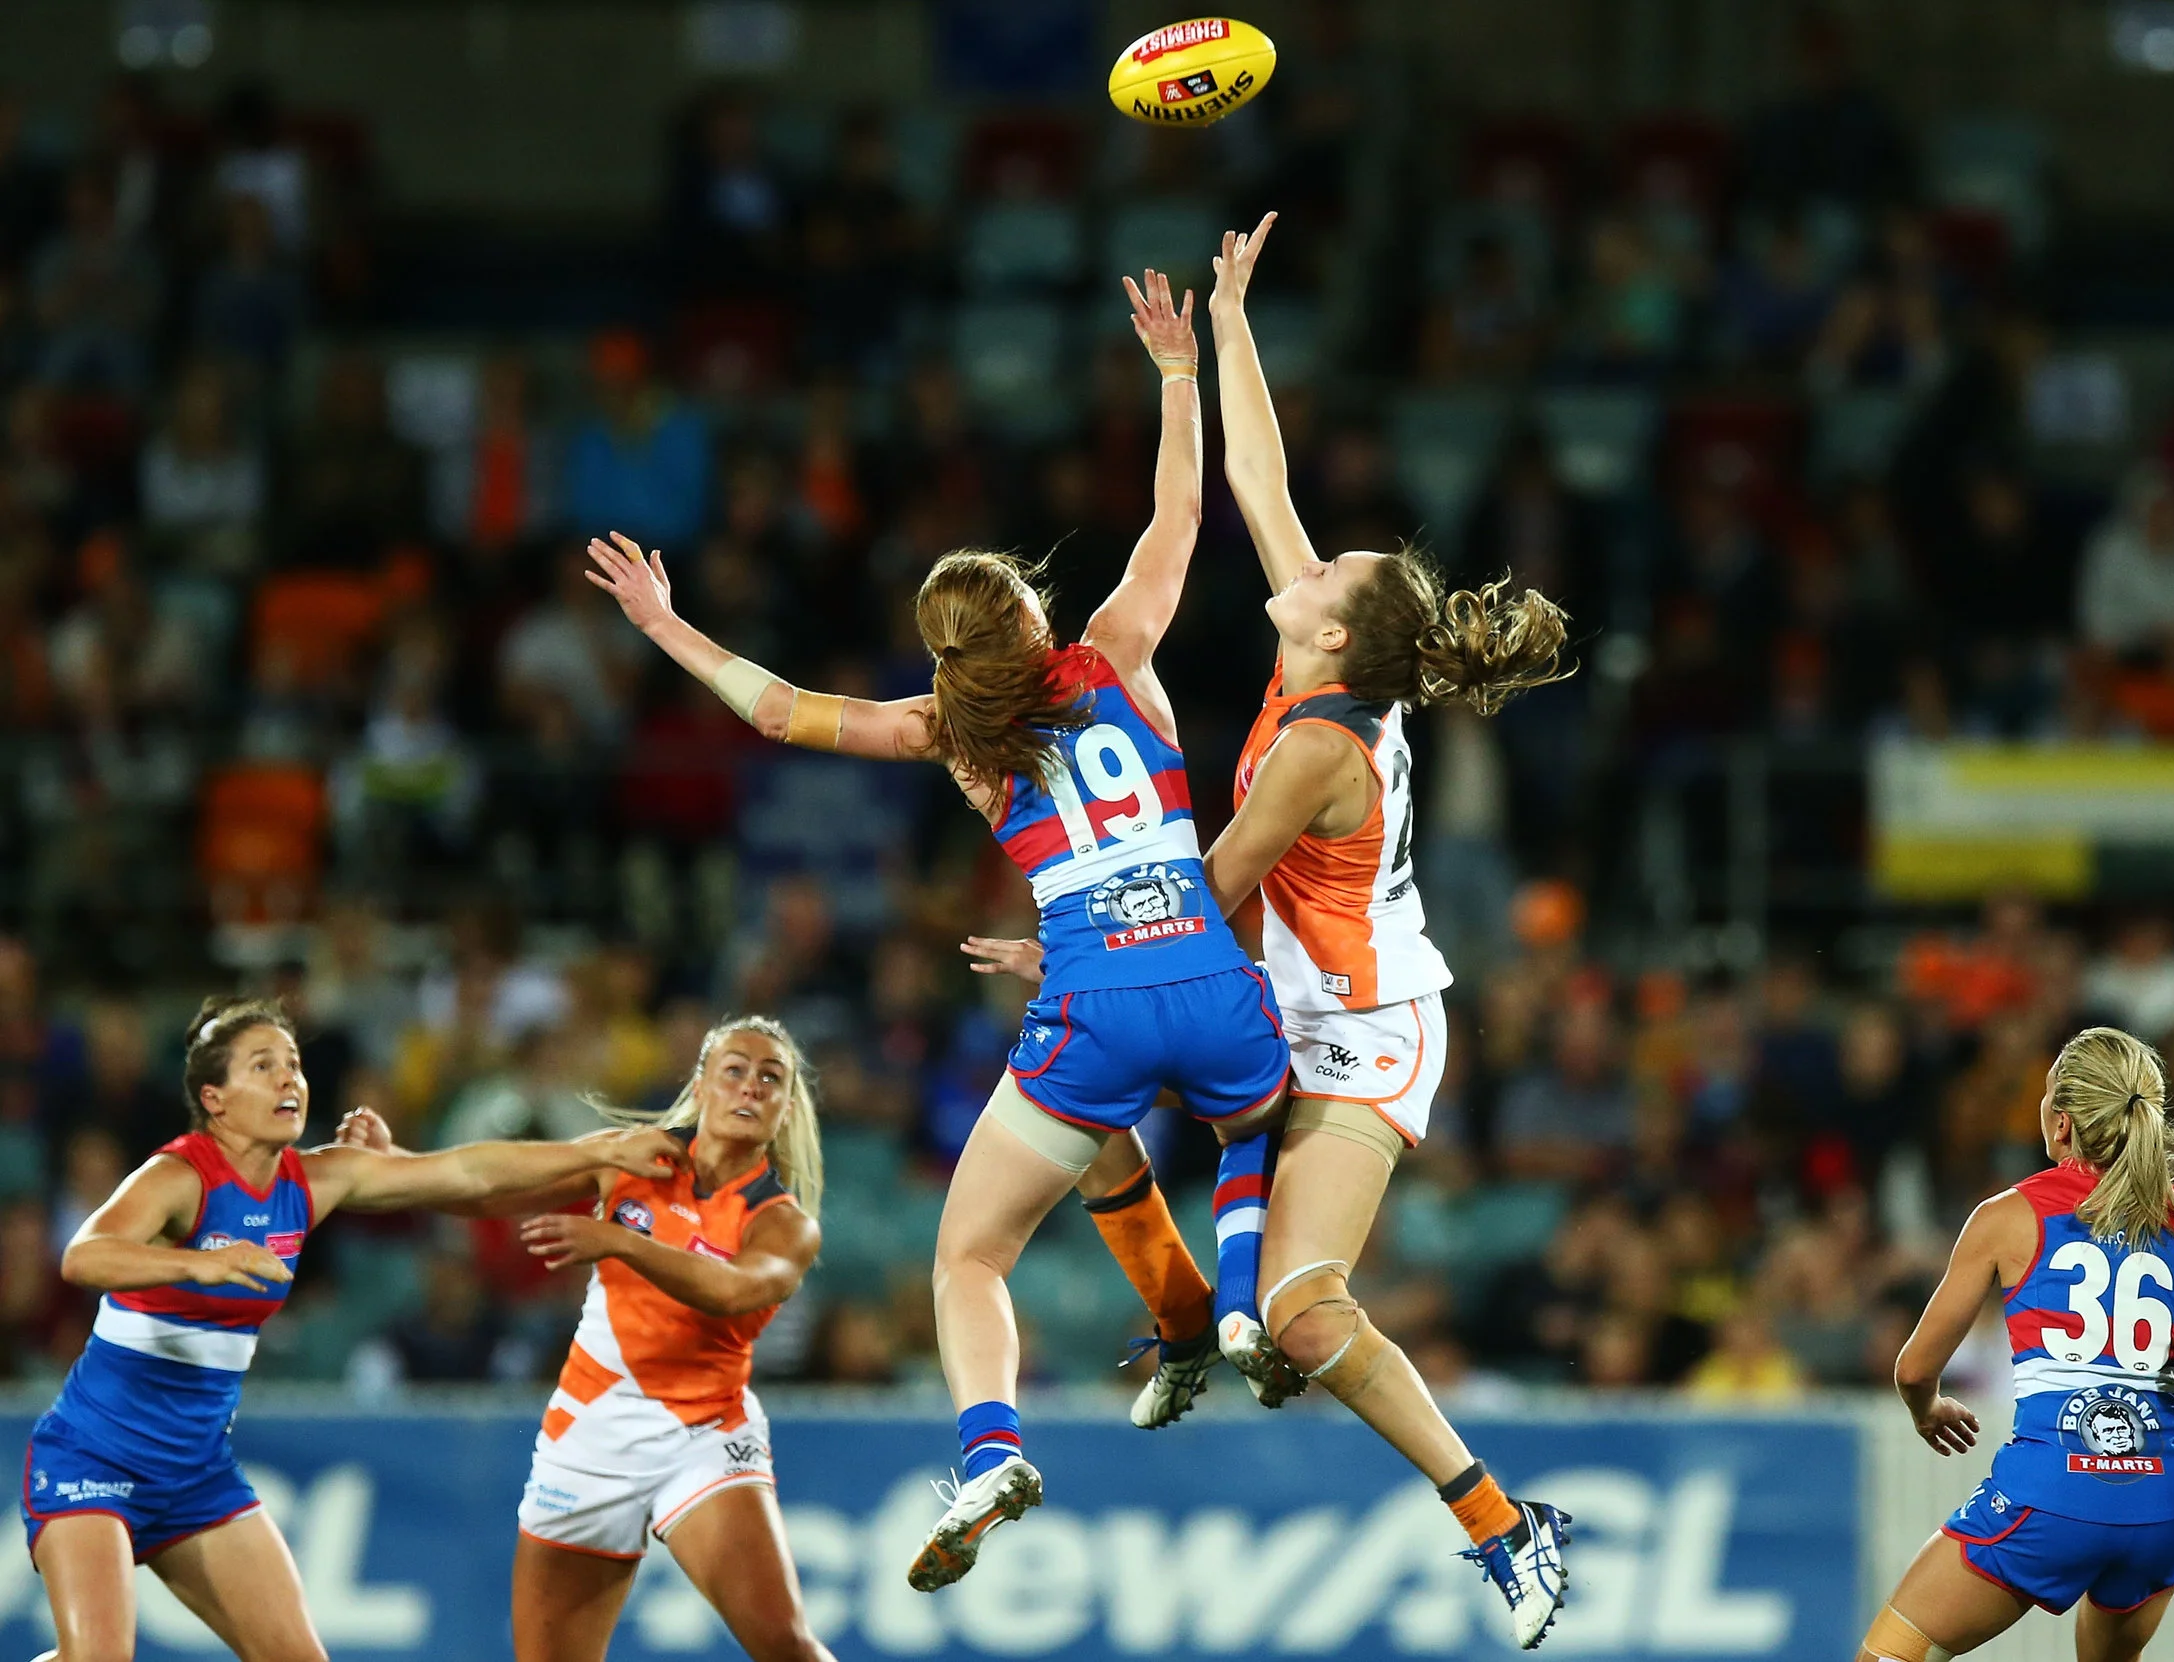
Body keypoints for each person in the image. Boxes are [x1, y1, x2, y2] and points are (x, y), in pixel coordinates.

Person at [584, 267, 1290, 1593]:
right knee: (1241, 1125)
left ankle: (991, 1450)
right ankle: (1225, 1306)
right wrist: (1176, 373)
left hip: (1089, 1003)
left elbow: (780, 712)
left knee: (971, 1253)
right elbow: (1181, 513)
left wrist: (665, 624)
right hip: (1209, 973)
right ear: (1034, 616)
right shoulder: (1117, 650)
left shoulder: (952, 736)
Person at [966, 214, 1577, 1650]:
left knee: (1306, 1311)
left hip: (1365, 1028)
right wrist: (1228, 325)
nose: (1299, 565)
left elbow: (1214, 889)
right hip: (1286, 995)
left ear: (1334, 633)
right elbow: (1261, 481)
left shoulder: (1317, 745)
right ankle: (1192, 1320)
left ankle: (1503, 1523)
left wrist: (1083, 945)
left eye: (1324, 571)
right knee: (1089, 1082)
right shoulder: (1331, 661)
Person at [22, 995, 684, 1662]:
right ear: (214, 1100)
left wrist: (600, 1151)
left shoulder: (314, 1180)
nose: (288, 1079)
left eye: (293, 1064)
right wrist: (201, 1262)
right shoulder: (180, 1175)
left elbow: (467, 1173)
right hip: (94, 1457)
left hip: (195, 1474)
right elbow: (84, 1255)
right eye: (263, 1065)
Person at [339, 1016, 832, 1662]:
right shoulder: (634, 1157)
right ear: (700, 1086)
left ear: (785, 1109)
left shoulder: (784, 1223)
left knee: (785, 1644)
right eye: (734, 1070)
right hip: (589, 1433)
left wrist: (622, 1241)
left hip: (704, 1436)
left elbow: (733, 1290)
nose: (750, 1087)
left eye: (770, 1079)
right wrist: (402, 1163)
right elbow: (488, 1189)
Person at [1860, 1026, 2174, 1662]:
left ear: (2062, 1124)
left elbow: (1915, 1367)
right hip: (2162, 1505)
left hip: (2051, 1494)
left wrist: (1928, 1408)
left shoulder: (2009, 1216)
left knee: (1890, 1655)